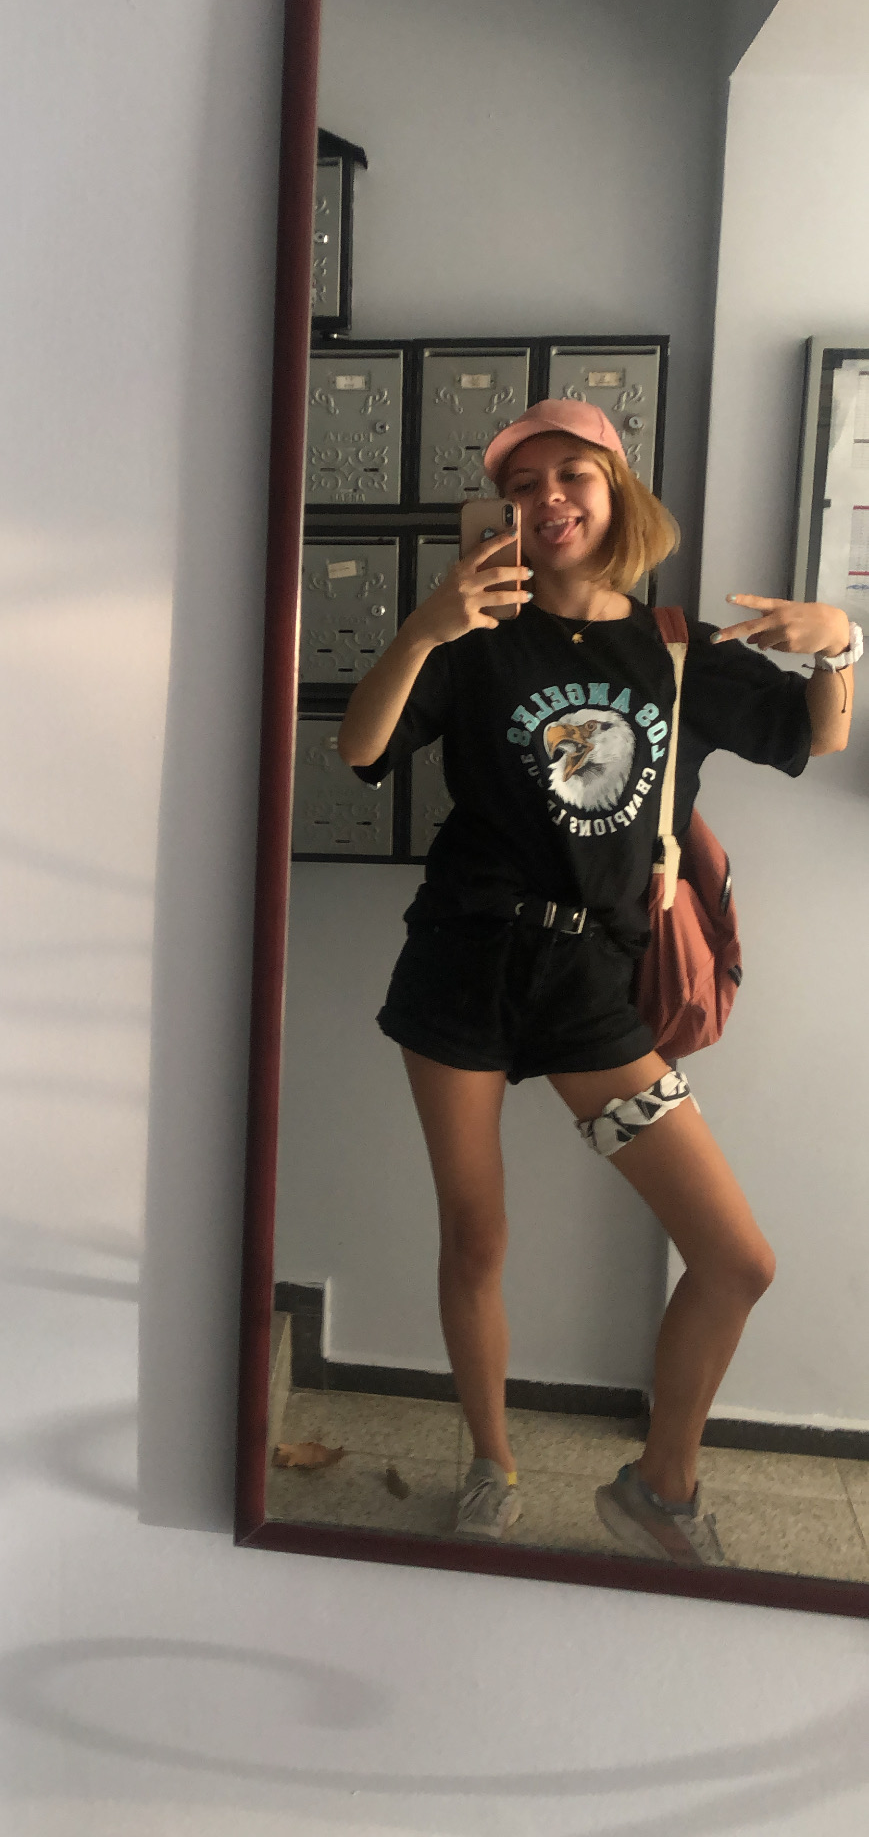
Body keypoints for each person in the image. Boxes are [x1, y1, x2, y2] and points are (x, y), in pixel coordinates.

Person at [336, 398, 860, 1566]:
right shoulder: (474, 636)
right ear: (505, 513)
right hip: (463, 963)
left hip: (591, 988)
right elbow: (360, 749)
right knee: (476, 1237)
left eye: (573, 473)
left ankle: (660, 1488)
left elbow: (817, 735)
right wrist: (421, 628)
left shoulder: (676, 649)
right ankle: (491, 1460)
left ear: (618, 491)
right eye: (523, 485)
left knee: (736, 1257)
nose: (548, 498)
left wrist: (841, 642)